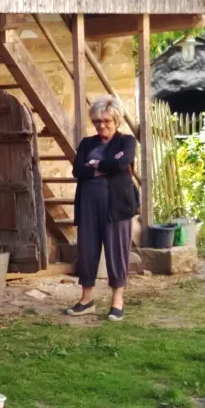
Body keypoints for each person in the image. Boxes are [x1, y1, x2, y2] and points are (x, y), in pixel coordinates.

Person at [62, 96, 139, 321]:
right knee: (87, 251)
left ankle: (117, 301)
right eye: (97, 121)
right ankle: (86, 300)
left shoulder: (127, 141)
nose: (101, 125)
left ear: (116, 120)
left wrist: (95, 165)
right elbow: (78, 170)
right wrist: (105, 167)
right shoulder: (87, 143)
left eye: (106, 121)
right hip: (88, 204)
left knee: (117, 251)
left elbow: (123, 164)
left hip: (117, 204)